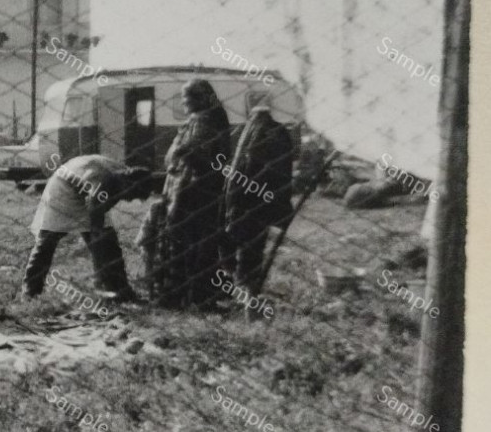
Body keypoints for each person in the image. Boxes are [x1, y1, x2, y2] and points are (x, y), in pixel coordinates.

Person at [23, 154, 153, 301]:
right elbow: (95, 211)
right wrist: (97, 238)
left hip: (86, 189)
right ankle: (31, 290)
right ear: (128, 185)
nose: (130, 200)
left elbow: (102, 205)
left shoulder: (123, 176)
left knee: (109, 244)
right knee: (48, 239)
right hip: (63, 188)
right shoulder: (105, 181)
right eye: (133, 195)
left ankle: (119, 290)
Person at [156, 78, 233, 309]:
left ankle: (187, 296)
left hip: (194, 192)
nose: (184, 102)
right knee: (192, 244)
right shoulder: (200, 120)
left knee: (190, 245)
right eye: (183, 97)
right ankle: (190, 295)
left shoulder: (205, 121)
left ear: (201, 98)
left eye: (188, 97)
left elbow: (195, 155)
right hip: (190, 190)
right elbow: (177, 156)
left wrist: (181, 151)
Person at [224, 102, 294, 311]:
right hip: (264, 199)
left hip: (246, 199)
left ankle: (244, 287)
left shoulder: (251, 132)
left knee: (242, 242)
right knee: (254, 243)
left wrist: (234, 196)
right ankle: (248, 285)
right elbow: (283, 171)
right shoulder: (279, 132)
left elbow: (245, 166)